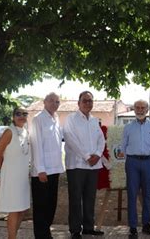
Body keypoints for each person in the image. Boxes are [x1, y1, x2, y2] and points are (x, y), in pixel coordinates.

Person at [63, 91, 106, 238]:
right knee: (75, 198)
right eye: (85, 101)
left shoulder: (94, 120)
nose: (88, 103)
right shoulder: (71, 119)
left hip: (93, 166)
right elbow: (70, 139)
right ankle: (75, 230)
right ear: (79, 103)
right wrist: (87, 156)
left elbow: (101, 139)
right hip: (76, 165)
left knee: (90, 198)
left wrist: (98, 154)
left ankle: (88, 227)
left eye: (90, 101)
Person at [120, 100, 150, 237]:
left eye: (143, 107)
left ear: (147, 110)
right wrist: (131, 159)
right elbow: (123, 146)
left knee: (147, 194)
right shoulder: (128, 127)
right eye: (137, 107)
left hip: (148, 162)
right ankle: (132, 226)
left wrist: (149, 160)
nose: (140, 110)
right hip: (132, 163)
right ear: (134, 109)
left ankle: (146, 224)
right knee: (132, 194)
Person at [30, 92, 64, 239]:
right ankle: (41, 235)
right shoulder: (38, 119)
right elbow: (36, 145)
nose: (54, 104)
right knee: (41, 206)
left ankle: (46, 233)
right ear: (44, 102)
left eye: (57, 102)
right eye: (51, 101)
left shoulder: (56, 118)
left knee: (51, 204)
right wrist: (40, 170)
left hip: (55, 169)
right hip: (41, 172)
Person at [0, 107, 31, 239]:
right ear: (13, 117)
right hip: (11, 178)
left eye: (24, 114)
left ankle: (13, 235)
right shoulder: (9, 132)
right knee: (14, 210)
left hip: (22, 178)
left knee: (22, 209)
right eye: (18, 114)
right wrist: (4, 171)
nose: (21, 116)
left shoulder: (26, 132)